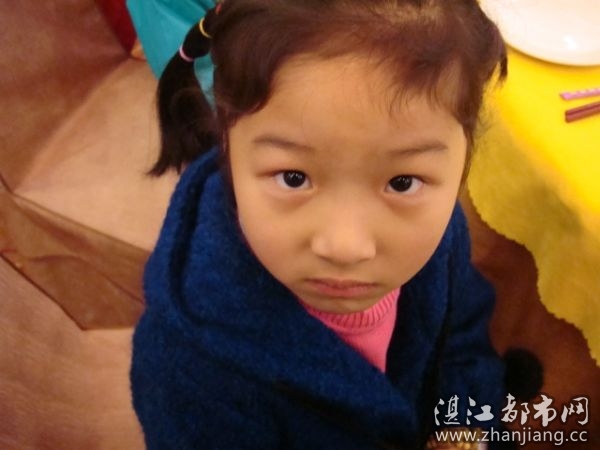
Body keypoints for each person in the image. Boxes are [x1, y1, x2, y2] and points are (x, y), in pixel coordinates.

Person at [130, 1, 509, 448]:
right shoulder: (190, 374)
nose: (345, 247)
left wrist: (464, 428)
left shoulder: (443, 234)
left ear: (464, 158)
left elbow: (461, 338)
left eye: (402, 182)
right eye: (293, 178)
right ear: (227, 144)